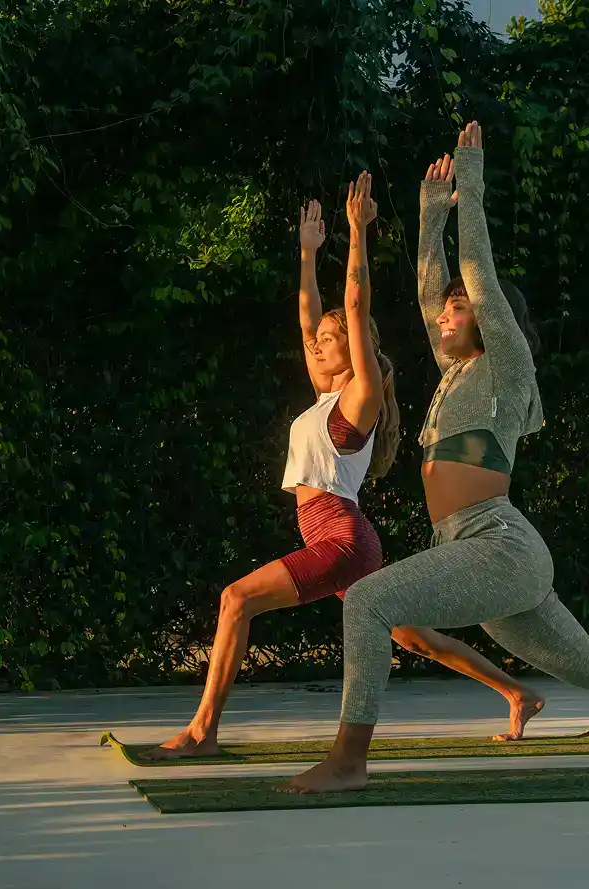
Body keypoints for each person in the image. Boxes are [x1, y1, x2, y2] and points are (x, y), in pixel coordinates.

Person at [282, 124, 589, 793]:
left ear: (493, 319)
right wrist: (428, 214)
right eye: (447, 311)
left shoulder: (507, 364)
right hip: (475, 547)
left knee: (367, 602)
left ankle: (350, 759)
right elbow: (429, 287)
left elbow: (478, 275)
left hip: (497, 543)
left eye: (460, 309)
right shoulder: (454, 370)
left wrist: (470, 180)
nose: (446, 314)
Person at [143, 172, 544, 761]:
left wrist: (357, 233)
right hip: (337, 536)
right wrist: (307, 254)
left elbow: (354, 305)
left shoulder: (362, 399)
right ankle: (516, 692)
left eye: (332, 339)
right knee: (412, 636)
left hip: (339, 535)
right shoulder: (324, 396)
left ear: (354, 348)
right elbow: (308, 320)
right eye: (321, 339)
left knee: (235, 600)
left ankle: (203, 730)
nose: (318, 343)